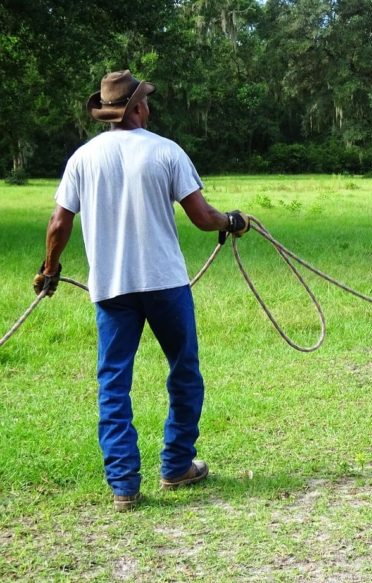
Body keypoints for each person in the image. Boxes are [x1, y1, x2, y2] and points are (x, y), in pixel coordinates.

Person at [34, 69, 249, 512]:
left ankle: (124, 487)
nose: (149, 106)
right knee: (184, 372)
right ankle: (176, 466)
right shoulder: (166, 152)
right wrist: (232, 221)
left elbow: (59, 224)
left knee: (114, 383)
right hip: (165, 283)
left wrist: (49, 269)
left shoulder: (82, 158)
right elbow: (202, 216)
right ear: (135, 108)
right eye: (145, 100)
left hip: (111, 288)